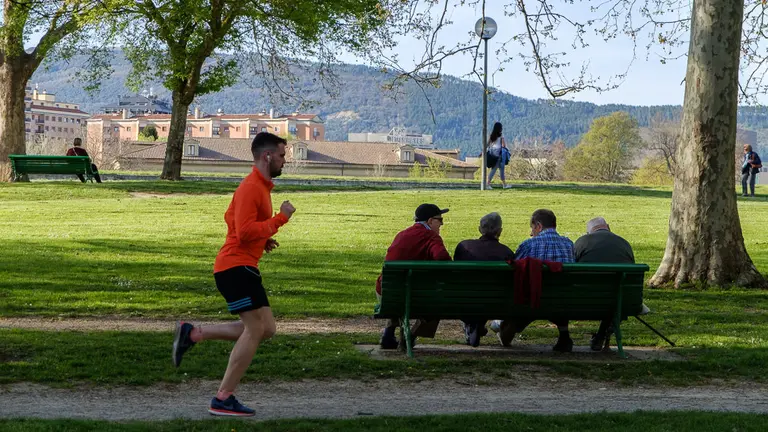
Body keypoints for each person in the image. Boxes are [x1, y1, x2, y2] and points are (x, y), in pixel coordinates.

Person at [171, 132, 296, 417]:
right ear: (267, 156)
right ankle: (223, 398)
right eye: (281, 155)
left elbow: (235, 221)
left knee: (266, 329)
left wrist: (263, 240)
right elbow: (242, 232)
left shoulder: (261, 188)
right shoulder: (252, 187)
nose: (284, 160)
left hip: (241, 267)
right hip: (234, 267)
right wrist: (280, 219)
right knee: (254, 330)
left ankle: (193, 334)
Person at [492, 209, 575, 352]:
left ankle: (506, 331)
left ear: (538, 226)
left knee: (525, 295)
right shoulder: (569, 244)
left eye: (532, 228)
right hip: (562, 301)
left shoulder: (529, 245)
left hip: (531, 300)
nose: (531, 233)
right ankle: (564, 334)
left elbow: (514, 269)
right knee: (556, 291)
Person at [376, 203, 452, 349]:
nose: (442, 223)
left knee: (400, 291)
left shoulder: (401, 234)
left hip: (386, 292)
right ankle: (410, 337)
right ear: (430, 221)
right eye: (439, 220)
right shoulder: (431, 236)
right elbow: (443, 259)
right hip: (416, 295)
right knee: (436, 302)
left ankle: (389, 332)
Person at [454, 212, 515, 347]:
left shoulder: (464, 247)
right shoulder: (506, 252)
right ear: (500, 231)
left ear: (480, 229)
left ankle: (474, 324)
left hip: (465, 300)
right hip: (495, 303)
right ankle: (478, 324)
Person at [574, 217, 635, 351]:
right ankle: (601, 335)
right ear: (607, 226)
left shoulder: (583, 241)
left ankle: (564, 337)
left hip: (581, 300)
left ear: (589, 231)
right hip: (620, 301)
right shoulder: (624, 243)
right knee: (615, 299)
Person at [486, 122, 510, 189]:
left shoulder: (492, 135)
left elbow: (487, 144)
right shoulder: (501, 135)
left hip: (492, 154)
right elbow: (503, 145)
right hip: (499, 155)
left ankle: (504, 184)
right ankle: (488, 184)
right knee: (499, 169)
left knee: (496, 169)